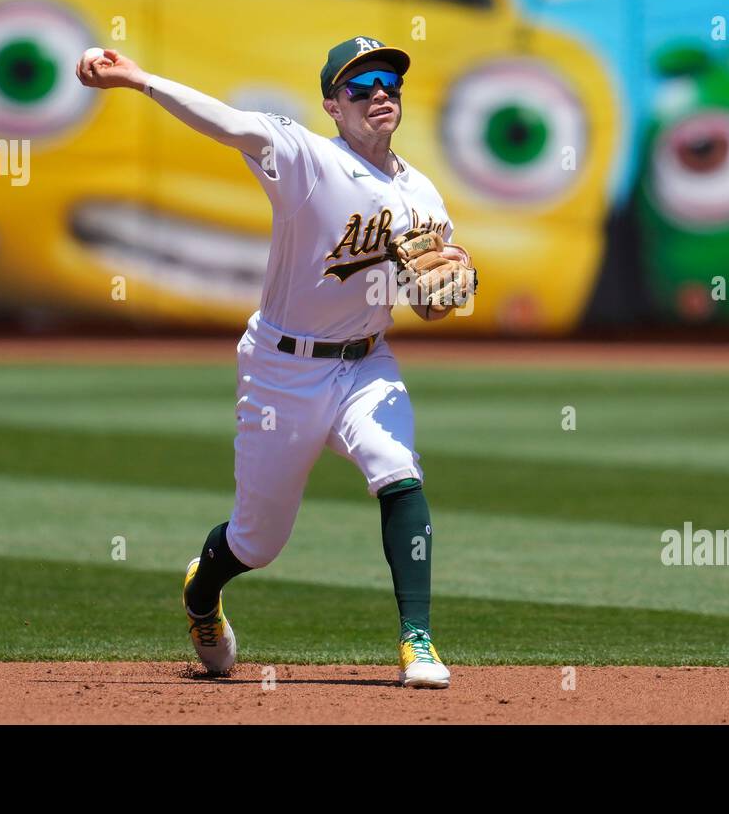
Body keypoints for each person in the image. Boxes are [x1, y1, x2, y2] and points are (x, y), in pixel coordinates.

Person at [76, 35, 477, 688]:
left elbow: (427, 305)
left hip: (365, 366)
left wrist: (445, 289)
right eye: (360, 84)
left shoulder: (425, 198)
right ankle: (203, 593)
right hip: (281, 371)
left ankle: (417, 640)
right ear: (332, 105)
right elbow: (229, 124)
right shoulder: (306, 157)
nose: (379, 93)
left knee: (397, 468)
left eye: (389, 82)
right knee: (257, 542)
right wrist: (139, 79)